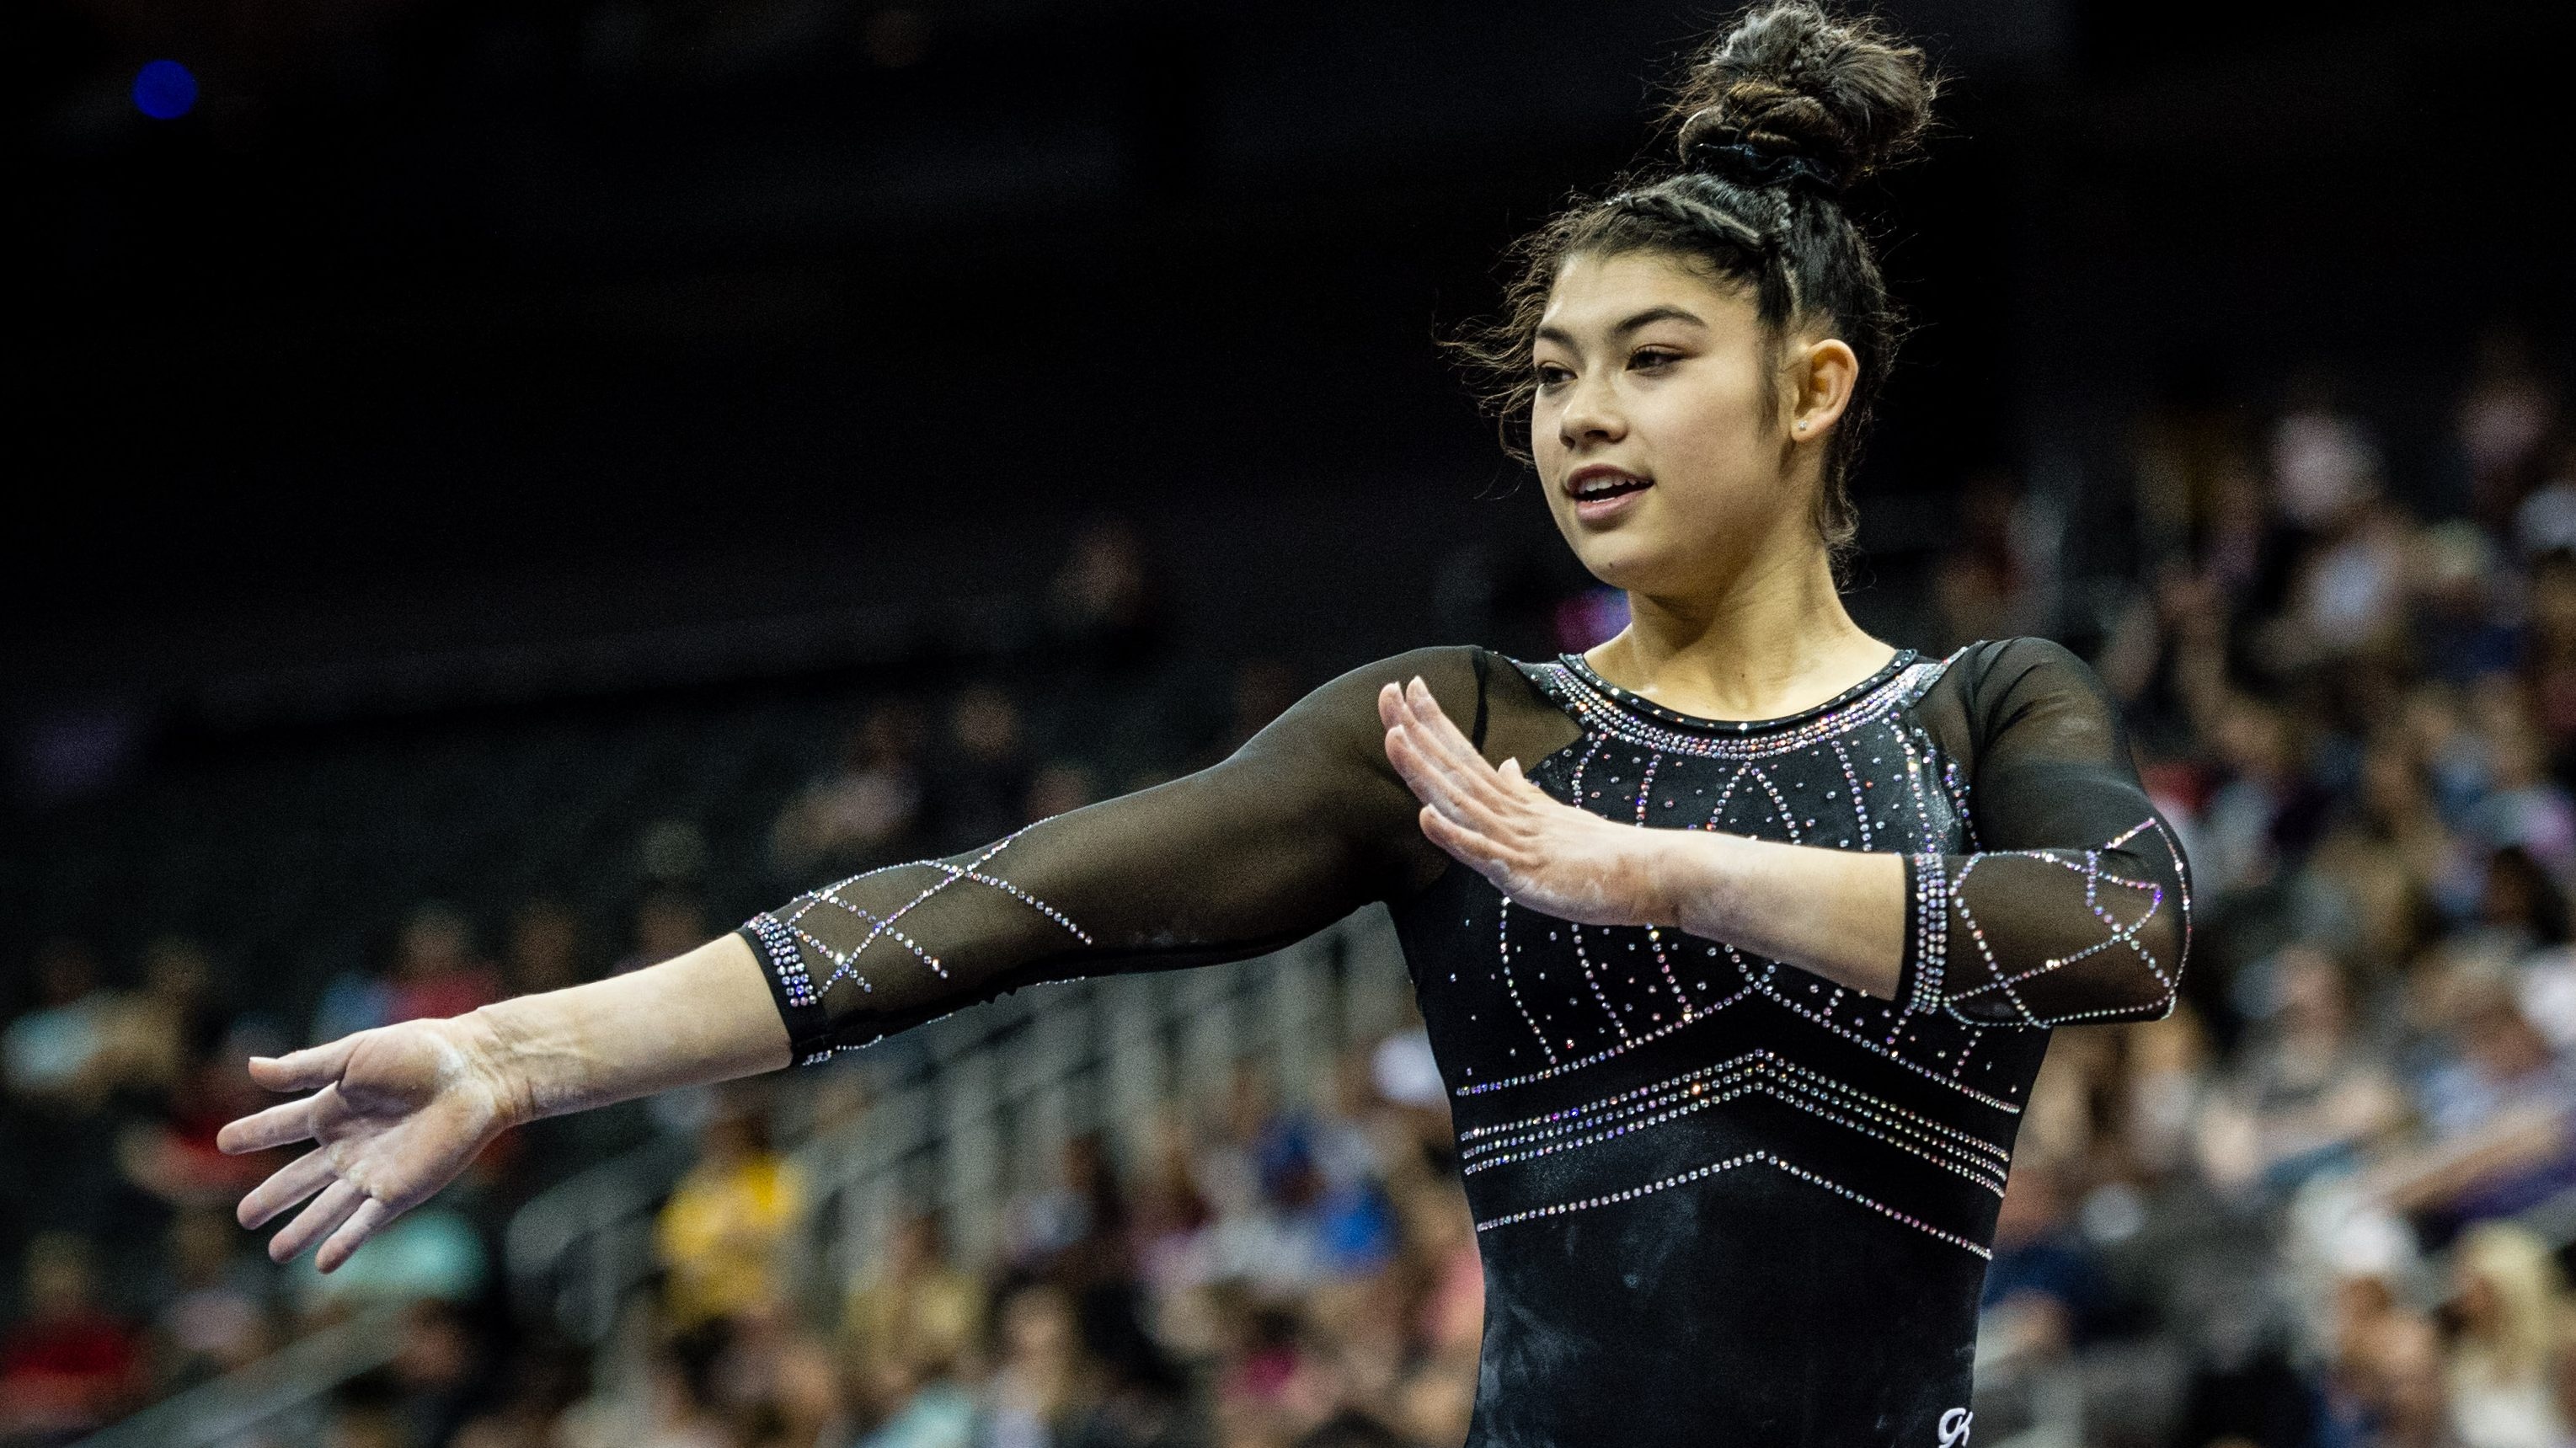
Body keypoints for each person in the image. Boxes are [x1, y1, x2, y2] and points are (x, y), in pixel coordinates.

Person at [217, 5, 2192, 1441]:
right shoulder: (1457, 730)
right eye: (1550, 374)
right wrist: (514, 1046)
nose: (1579, 416)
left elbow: (2116, 930)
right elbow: (992, 902)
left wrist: (1659, 869)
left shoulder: (1979, 708)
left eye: (1651, 360)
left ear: (1812, 384)